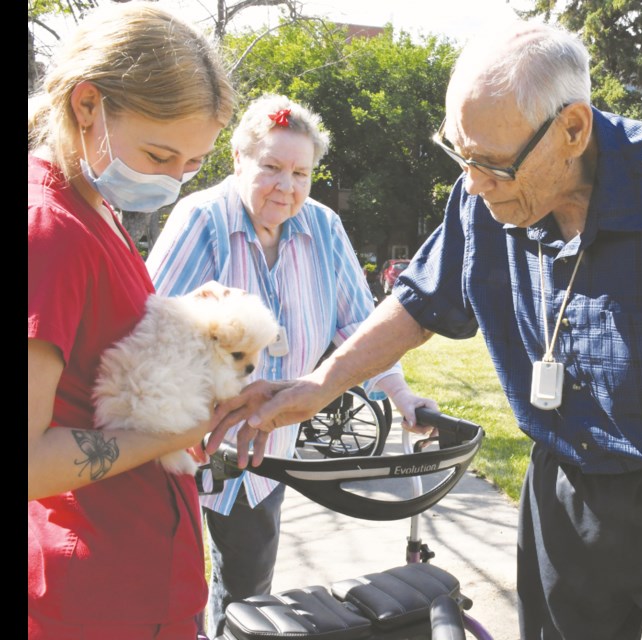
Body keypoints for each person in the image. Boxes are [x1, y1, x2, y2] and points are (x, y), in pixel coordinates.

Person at [207, 21, 642, 640]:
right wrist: (314, 385)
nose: (474, 185)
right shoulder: (483, 195)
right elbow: (419, 305)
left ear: (573, 129)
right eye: (460, 156)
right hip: (566, 491)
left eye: (490, 165)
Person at [145, 93, 436, 638]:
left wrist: (402, 397)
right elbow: (149, 322)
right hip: (178, 446)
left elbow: (360, 327)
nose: (287, 185)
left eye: (301, 172)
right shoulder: (202, 218)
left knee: (249, 596)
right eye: (272, 168)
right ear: (238, 161)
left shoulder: (323, 228)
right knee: (171, 592)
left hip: (262, 452)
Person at [28, 3, 234, 638]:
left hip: (140, 579)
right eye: (159, 153)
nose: (174, 181)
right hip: (92, 599)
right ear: (87, 106)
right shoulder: (53, 229)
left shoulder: (98, 206)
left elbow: (89, 347)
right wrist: (177, 430)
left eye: (194, 165)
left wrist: (178, 323)